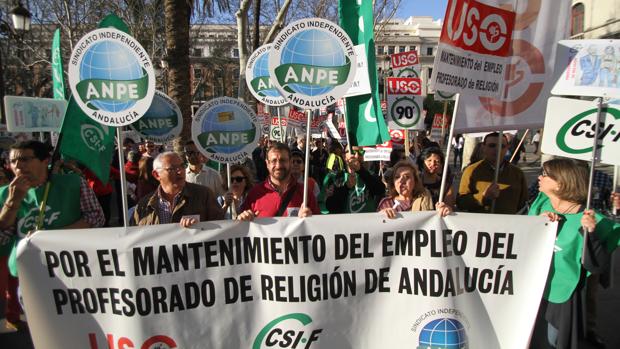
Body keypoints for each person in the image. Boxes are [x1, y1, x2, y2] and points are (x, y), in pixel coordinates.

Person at [0, 141, 105, 328]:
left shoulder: (72, 183)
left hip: (72, 269)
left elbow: (96, 217)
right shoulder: (4, 194)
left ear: (45, 160)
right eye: (13, 161)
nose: (18, 165)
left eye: (25, 159)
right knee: (45, 329)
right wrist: (13, 202)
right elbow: (3, 236)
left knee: (80, 326)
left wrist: (50, 237)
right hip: (30, 274)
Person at [529, 158, 619, 349]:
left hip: (561, 294)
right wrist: (537, 223)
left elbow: (596, 265)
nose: (539, 177)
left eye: (544, 175)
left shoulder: (590, 219)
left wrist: (591, 234)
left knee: (553, 340)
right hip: (533, 287)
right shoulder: (541, 204)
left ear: (560, 183)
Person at [131, 152, 224, 227]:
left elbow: (222, 229)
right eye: (172, 169)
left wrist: (202, 227)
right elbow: (134, 240)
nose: (180, 171)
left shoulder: (204, 195)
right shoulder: (143, 206)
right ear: (156, 175)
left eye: (181, 166)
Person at [238, 143, 318, 220]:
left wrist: (311, 219)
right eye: (273, 161)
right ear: (267, 164)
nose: (278, 165)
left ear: (290, 162)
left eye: (283, 160)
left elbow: (320, 226)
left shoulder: (305, 193)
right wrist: (243, 218)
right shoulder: (255, 194)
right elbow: (240, 228)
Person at [457, 132, 528, 214]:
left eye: (502, 146)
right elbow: (461, 203)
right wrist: (483, 197)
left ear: (507, 148)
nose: (497, 149)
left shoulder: (517, 173)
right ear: (483, 147)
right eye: (492, 146)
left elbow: (523, 203)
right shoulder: (472, 171)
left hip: (508, 224)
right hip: (479, 223)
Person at [322, 146, 385, 214]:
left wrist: (361, 171)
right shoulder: (338, 177)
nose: (357, 156)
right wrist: (346, 187)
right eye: (353, 152)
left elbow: (380, 190)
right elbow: (331, 206)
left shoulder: (370, 175)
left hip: (367, 222)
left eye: (360, 153)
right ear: (344, 156)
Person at [377, 160, 451, 218]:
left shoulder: (426, 199)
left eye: (407, 177)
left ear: (415, 181)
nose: (401, 180)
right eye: (397, 177)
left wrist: (444, 212)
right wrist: (380, 215)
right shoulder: (386, 203)